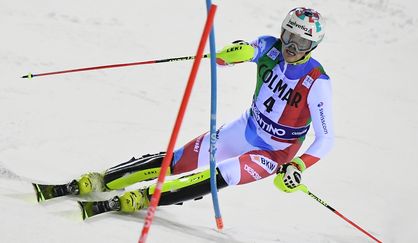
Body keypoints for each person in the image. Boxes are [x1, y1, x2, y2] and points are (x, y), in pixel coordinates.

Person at [65, 7, 334, 213]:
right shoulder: (269, 46)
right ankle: (106, 179)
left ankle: (145, 197)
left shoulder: (317, 81)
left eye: (301, 43)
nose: (290, 47)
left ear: (313, 46)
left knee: (221, 174)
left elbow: (325, 139)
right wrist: (235, 52)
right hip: (245, 128)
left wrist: (298, 165)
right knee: (179, 160)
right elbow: (224, 57)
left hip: (274, 152)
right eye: (288, 36)